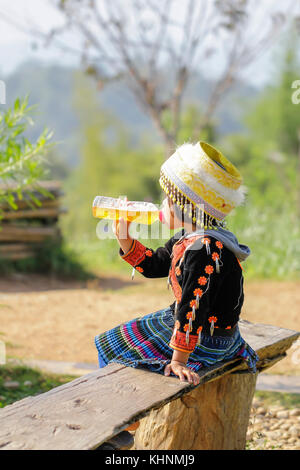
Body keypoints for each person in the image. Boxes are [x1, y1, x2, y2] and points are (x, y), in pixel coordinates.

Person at [94, 141, 259, 391]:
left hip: (208, 339)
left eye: (167, 200)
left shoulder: (203, 249)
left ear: (185, 206)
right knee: (116, 342)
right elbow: (155, 265)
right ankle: (132, 418)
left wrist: (178, 361)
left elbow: (193, 307)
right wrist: (125, 240)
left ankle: (130, 417)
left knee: (113, 345)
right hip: (202, 329)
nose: (162, 206)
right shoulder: (191, 238)